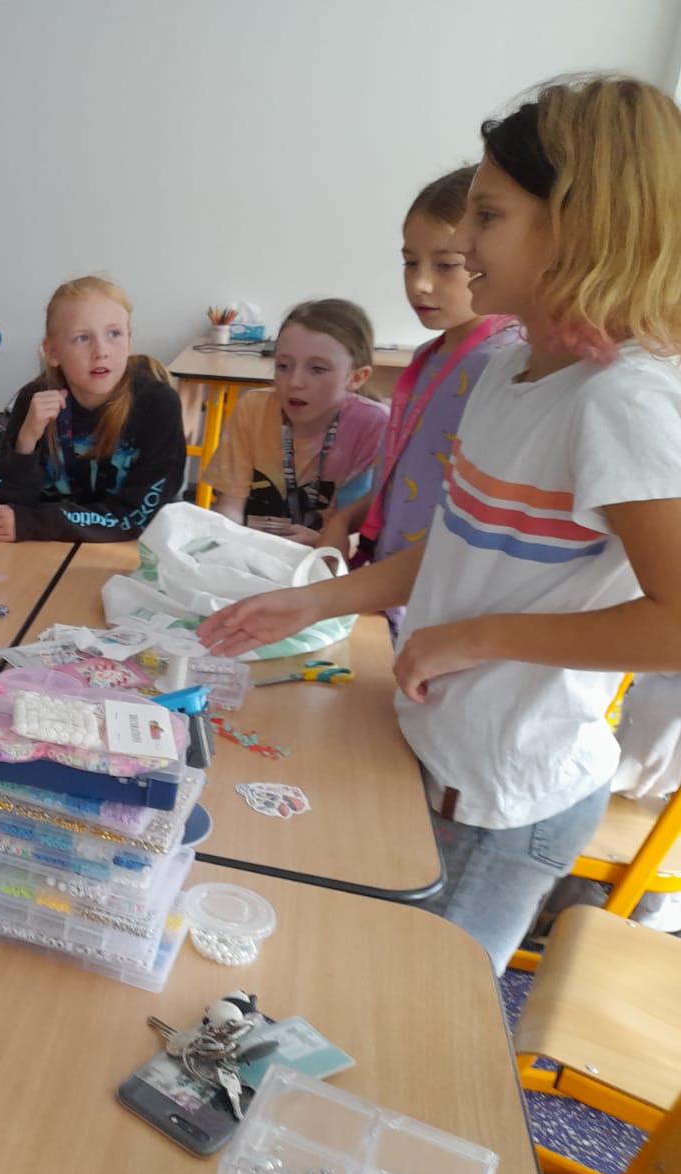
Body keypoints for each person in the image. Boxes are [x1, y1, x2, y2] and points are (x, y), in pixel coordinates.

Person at [200, 76, 681, 974]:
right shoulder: (508, 369)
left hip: (504, 799)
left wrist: (476, 636)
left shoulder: (626, 401)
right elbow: (458, 544)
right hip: (435, 746)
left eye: (488, 217)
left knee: (417, 1003)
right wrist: (315, 601)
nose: (462, 242)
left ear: (580, 226)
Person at [319, 167, 521, 631]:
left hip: (449, 606)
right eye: (410, 263)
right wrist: (346, 518)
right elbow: (409, 472)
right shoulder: (432, 354)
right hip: (397, 587)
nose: (420, 284)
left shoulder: (507, 361)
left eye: (445, 265)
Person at [0, 276, 185, 542]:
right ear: (52, 352)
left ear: (129, 341)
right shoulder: (35, 399)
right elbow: (0, 509)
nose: (101, 351)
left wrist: (36, 522)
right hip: (49, 551)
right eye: (82, 338)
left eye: (114, 334)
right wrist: (26, 442)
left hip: (128, 551)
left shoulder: (157, 406)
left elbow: (137, 518)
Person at [201, 299, 388, 544]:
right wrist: (225, 545)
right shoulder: (253, 408)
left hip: (325, 557)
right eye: (283, 366)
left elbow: (360, 536)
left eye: (318, 369)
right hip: (250, 549)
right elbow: (229, 509)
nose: (295, 382)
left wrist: (320, 543)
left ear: (356, 377)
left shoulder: (374, 426)